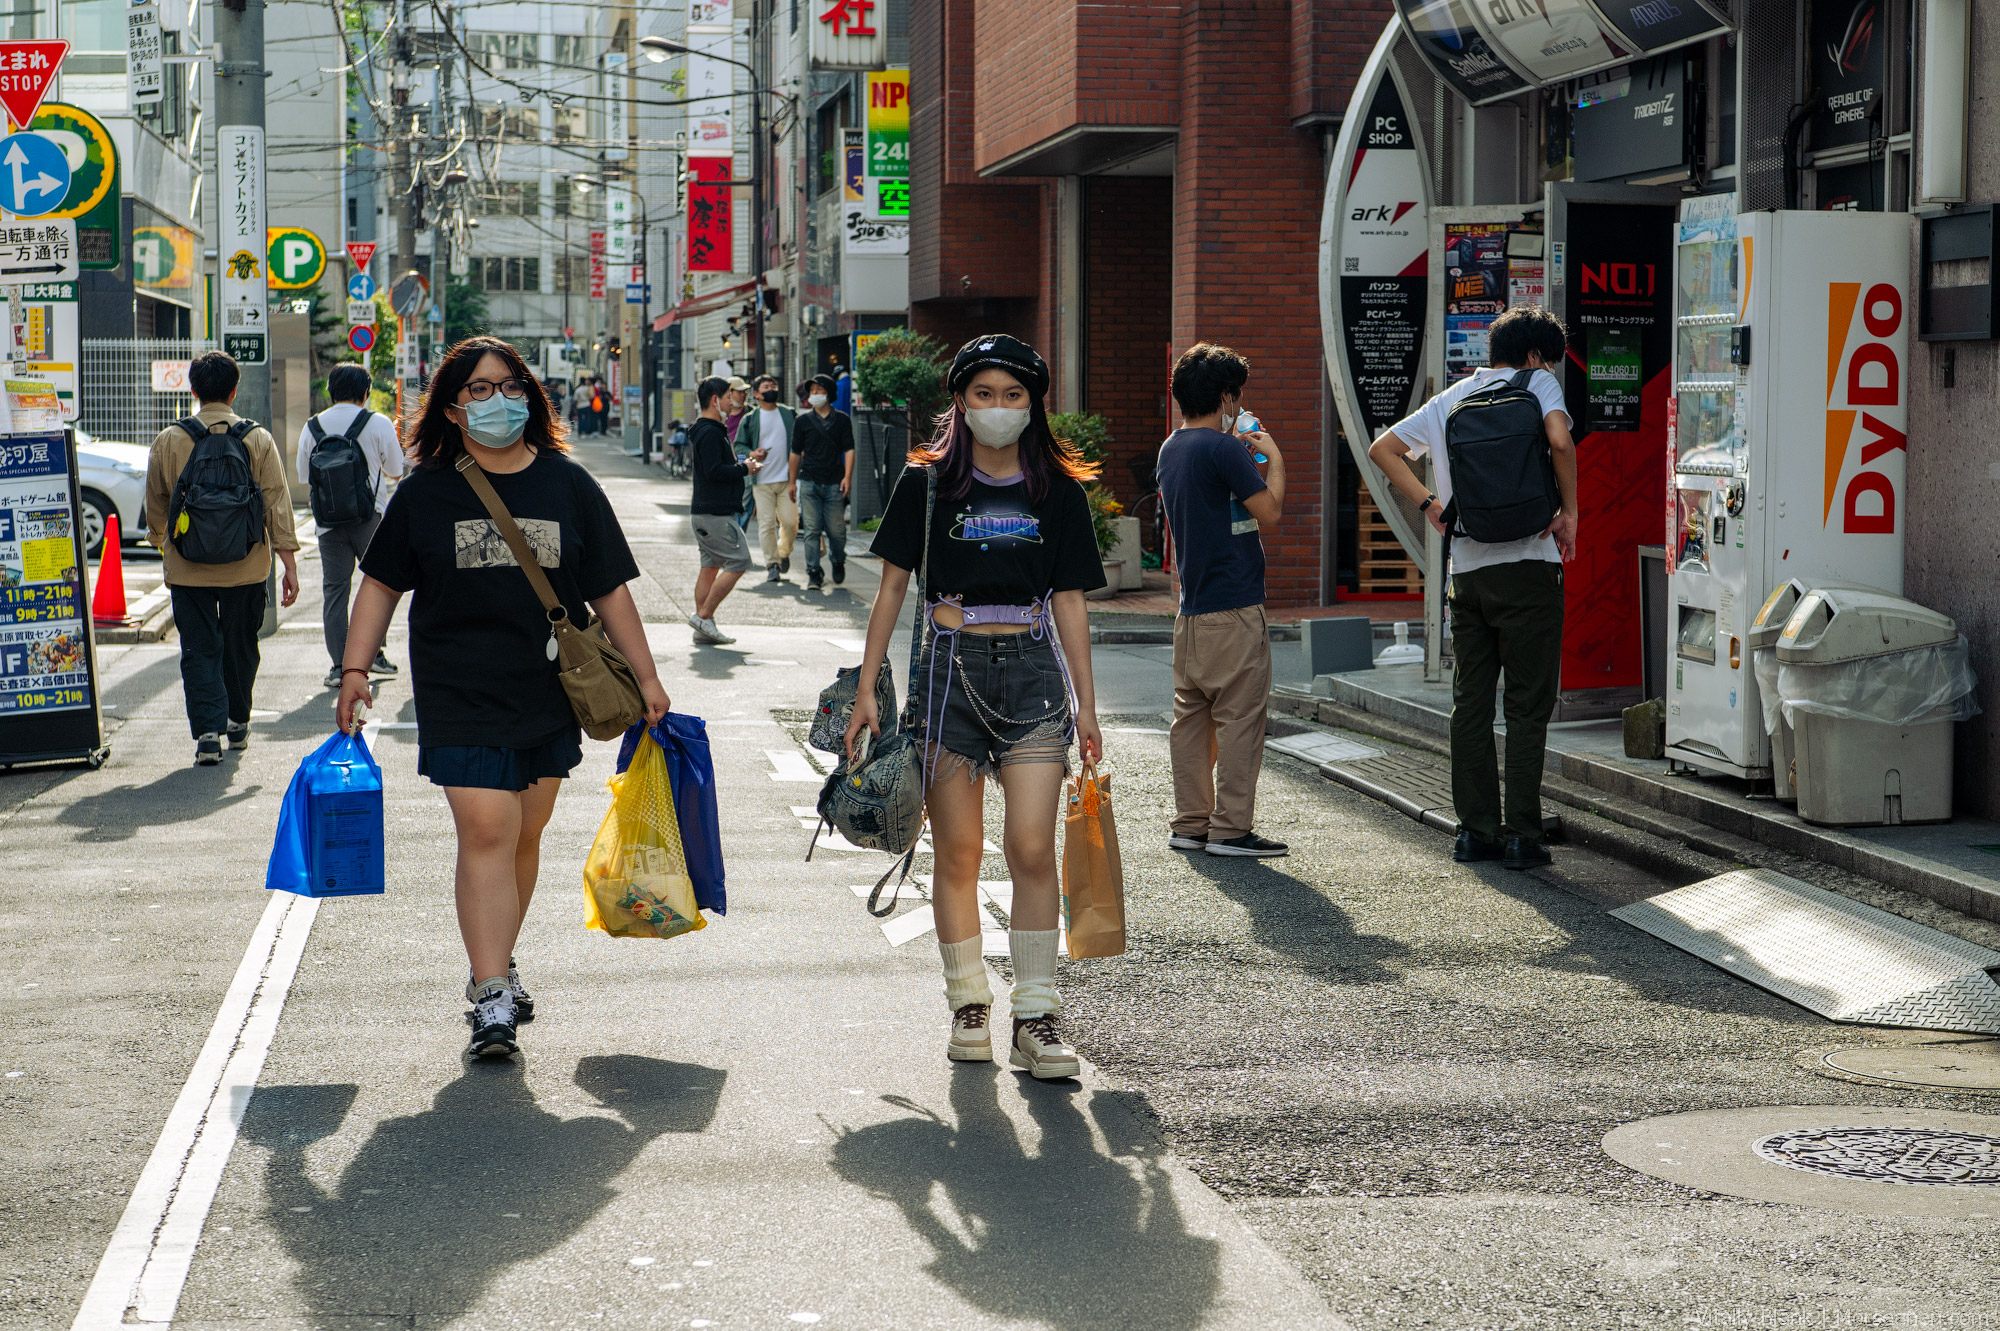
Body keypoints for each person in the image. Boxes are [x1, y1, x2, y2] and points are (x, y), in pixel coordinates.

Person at [335, 336, 671, 1060]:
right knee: (487, 827)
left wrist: (647, 679)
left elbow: (609, 588)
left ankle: (500, 960)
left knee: (524, 829)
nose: (496, 401)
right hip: (458, 689)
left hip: (550, 688)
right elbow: (382, 582)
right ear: (453, 410)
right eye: (478, 391)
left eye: (508, 386)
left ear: (530, 394)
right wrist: (355, 668)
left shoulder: (568, 485)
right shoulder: (426, 491)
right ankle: (491, 995)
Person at [846, 334, 1105, 1080]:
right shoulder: (925, 485)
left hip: (1032, 679)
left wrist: (1088, 707)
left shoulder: (1058, 491)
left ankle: (1036, 1015)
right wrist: (868, 689)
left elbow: (1071, 601)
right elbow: (892, 588)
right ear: (961, 400)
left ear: (1033, 404)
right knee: (957, 854)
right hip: (948, 673)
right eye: (984, 394)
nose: (997, 408)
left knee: (1030, 847)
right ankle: (968, 1005)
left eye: (1013, 395)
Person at [1367, 305, 1578, 871]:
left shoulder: (1450, 400)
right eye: (1549, 360)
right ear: (1536, 356)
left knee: (1471, 704)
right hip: (1530, 567)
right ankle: (1523, 835)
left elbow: (1381, 449)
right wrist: (1570, 514)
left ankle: (1475, 831)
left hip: (1469, 572)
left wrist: (1432, 506)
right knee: (1528, 707)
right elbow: (1559, 443)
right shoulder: (1539, 386)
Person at [1156, 343, 1289, 859]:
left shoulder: (1173, 447)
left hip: (1190, 611)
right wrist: (1272, 455)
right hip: (1235, 606)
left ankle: (1191, 823)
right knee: (1239, 720)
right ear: (1228, 396)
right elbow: (1270, 511)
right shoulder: (1226, 449)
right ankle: (1232, 829)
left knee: (1191, 721)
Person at [145, 350, 301, 766]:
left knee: (198, 649)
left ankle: (208, 735)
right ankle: (238, 720)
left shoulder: (169, 439)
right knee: (240, 644)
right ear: (235, 390)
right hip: (247, 566)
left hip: (187, 566)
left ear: (193, 391)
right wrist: (289, 564)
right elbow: (277, 505)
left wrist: (164, 546)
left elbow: (157, 504)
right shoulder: (257, 438)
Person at [297, 361, 405, 689]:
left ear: (331, 391)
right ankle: (376, 656)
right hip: (369, 519)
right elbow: (396, 471)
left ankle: (338, 666)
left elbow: (305, 476)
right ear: (366, 391)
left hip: (328, 523)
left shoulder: (312, 426)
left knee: (334, 591)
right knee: (380, 586)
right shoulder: (377, 422)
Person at [687, 374, 768, 645]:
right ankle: (704, 616)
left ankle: (703, 627)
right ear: (715, 400)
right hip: (715, 513)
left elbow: (719, 466)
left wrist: (746, 462)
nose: (732, 401)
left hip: (706, 511)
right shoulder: (710, 432)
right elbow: (714, 471)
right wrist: (745, 468)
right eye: (727, 396)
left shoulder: (708, 429)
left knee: (709, 566)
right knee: (739, 560)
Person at [791, 372, 854, 589]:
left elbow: (849, 449)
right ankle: (813, 572)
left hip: (835, 482)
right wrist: (792, 482)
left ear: (830, 394)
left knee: (836, 531)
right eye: (812, 391)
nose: (815, 394)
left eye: (820, 390)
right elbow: (795, 453)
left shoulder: (843, 420)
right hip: (809, 481)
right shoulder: (802, 421)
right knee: (811, 529)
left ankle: (838, 560)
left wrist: (848, 477)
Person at [744, 373, 798, 582]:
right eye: (766, 387)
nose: (771, 389)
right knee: (766, 524)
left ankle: (783, 552)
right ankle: (772, 564)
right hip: (761, 480)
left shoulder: (789, 414)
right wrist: (751, 454)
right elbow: (738, 447)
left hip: (787, 479)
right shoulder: (750, 419)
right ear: (756, 394)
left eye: (773, 385)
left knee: (790, 522)